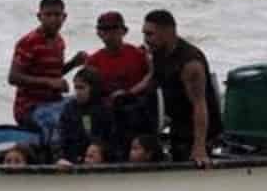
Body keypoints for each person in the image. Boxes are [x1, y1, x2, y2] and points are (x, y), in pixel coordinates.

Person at [141, 9, 223, 167]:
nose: (146, 40)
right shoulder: (158, 52)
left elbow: (200, 105)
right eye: (144, 34)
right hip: (177, 124)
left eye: (150, 34)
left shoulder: (190, 63)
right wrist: (127, 93)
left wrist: (199, 147)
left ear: (168, 32)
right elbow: (152, 78)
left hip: (199, 130)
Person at [8, 0, 82, 143]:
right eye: (48, 15)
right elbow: (13, 77)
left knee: (85, 104)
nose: (53, 19)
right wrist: (49, 82)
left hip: (54, 102)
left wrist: (74, 63)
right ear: (39, 17)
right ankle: (54, 159)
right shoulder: (29, 42)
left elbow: (53, 73)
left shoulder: (59, 41)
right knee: (57, 122)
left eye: (57, 15)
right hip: (30, 108)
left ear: (64, 17)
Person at [86, 10, 157, 156]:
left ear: (124, 31)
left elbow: (152, 79)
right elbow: (89, 92)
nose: (109, 33)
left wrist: (129, 93)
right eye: (105, 29)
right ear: (98, 33)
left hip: (135, 107)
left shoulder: (139, 55)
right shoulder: (93, 61)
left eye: (114, 29)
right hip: (107, 111)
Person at [55, 67, 114, 164]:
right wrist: (60, 158)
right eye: (76, 88)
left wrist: (101, 150)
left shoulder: (105, 110)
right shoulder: (69, 109)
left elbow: (112, 141)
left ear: (93, 88)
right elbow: (60, 137)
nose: (77, 92)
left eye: (81, 88)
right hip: (71, 161)